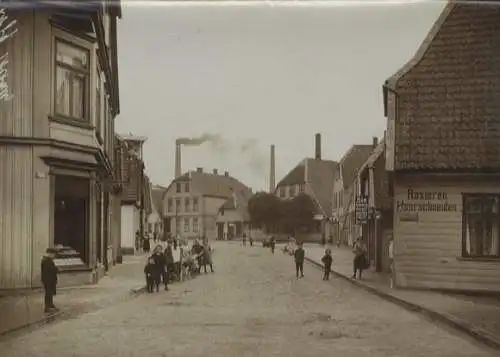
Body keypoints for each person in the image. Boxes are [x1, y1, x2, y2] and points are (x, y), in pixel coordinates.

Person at [41, 248, 59, 313]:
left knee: (50, 293)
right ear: (50, 254)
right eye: (53, 254)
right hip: (48, 279)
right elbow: (51, 270)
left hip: (50, 279)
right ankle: (47, 307)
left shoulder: (48, 260)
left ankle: (51, 305)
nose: (54, 256)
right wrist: (57, 269)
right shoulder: (46, 260)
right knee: (48, 293)